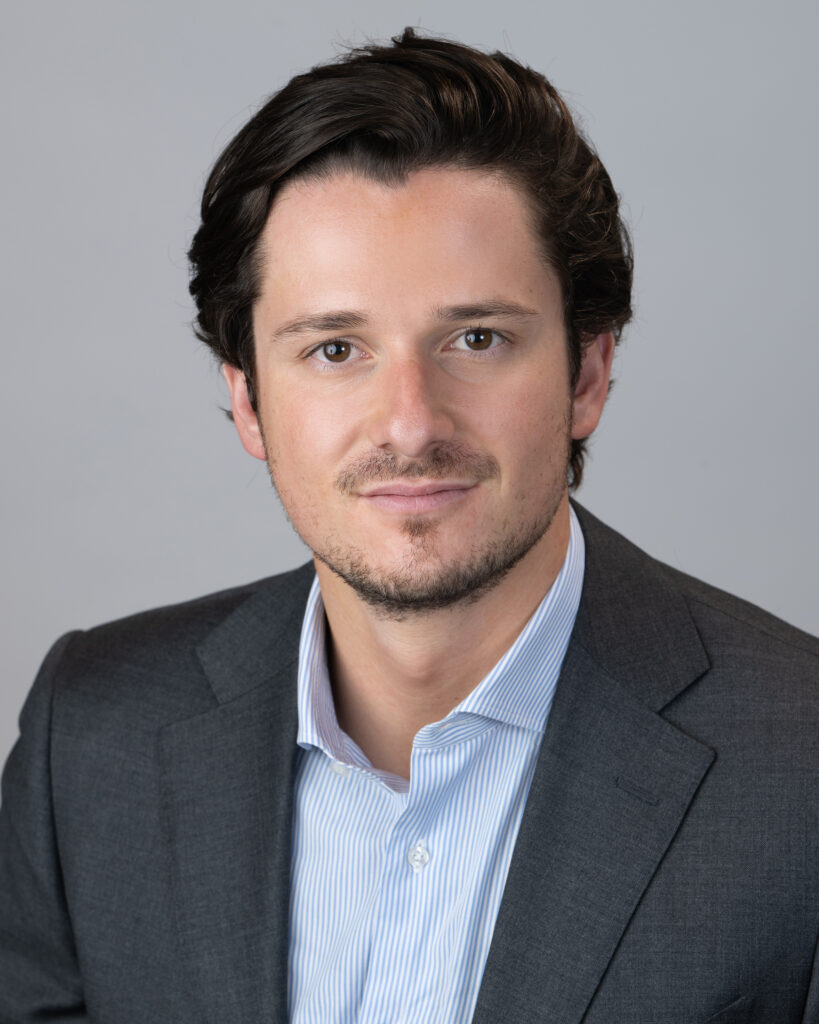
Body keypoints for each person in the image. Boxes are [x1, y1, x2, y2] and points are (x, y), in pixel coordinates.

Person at [1, 28, 817, 1024]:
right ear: (249, 401)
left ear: (588, 374)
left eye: (477, 338)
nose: (410, 423)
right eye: (335, 349)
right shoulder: (91, 738)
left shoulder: (798, 768)